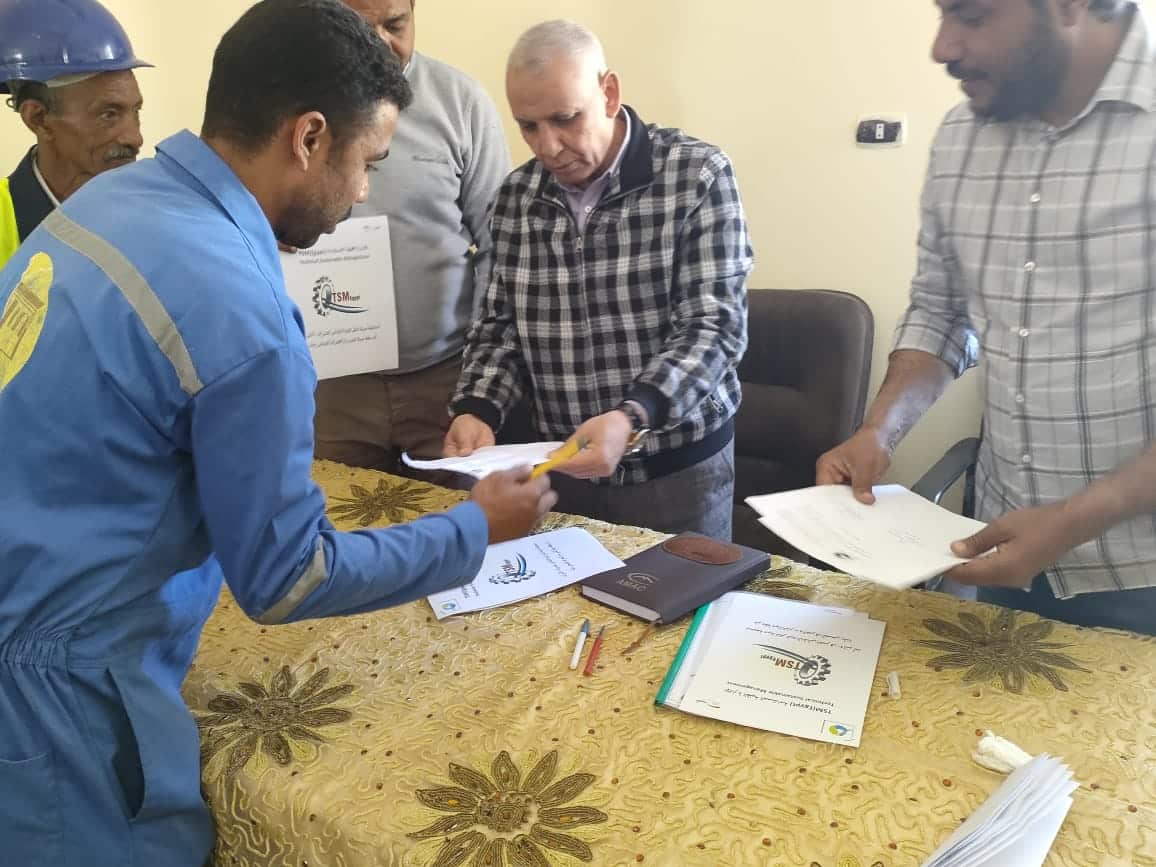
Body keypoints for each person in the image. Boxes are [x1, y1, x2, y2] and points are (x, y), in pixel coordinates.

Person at [0, 1, 554, 864]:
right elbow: (288, 579)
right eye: (367, 163)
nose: (364, 192)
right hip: (63, 697)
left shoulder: (107, 202)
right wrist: (473, 529)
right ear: (309, 137)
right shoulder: (243, 315)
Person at [817, 0, 1156, 634]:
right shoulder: (961, 138)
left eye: (972, 16)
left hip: (1142, 574)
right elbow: (942, 312)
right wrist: (880, 431)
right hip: (1001, 547)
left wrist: (1071, 521)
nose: (941, 47)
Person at [446, 20, 752, 540]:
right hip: (566, 475)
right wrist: (478, 408)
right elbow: (499, 329)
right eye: (528, 126)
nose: (548, 146)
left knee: (683, 595)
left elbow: (714, 327)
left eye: (565, 119)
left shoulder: (696, 175)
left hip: (678, 476)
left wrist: (632, 417)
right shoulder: (516, 198)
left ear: (609, 93)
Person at [312, 0, 510, 473]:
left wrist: (480, 378)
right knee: (335, 513)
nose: (381, 41)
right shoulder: (293, 103)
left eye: (396, 24)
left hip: (446, 379)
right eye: (362, 27)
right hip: (333, 387)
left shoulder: (460, 101)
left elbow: (499, 246)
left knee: (456, 514)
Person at [0, 0, 148, 267]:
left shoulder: (154, 215)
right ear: (38, 119)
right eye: (108, 115)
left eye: (135, 111)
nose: (135, 138)